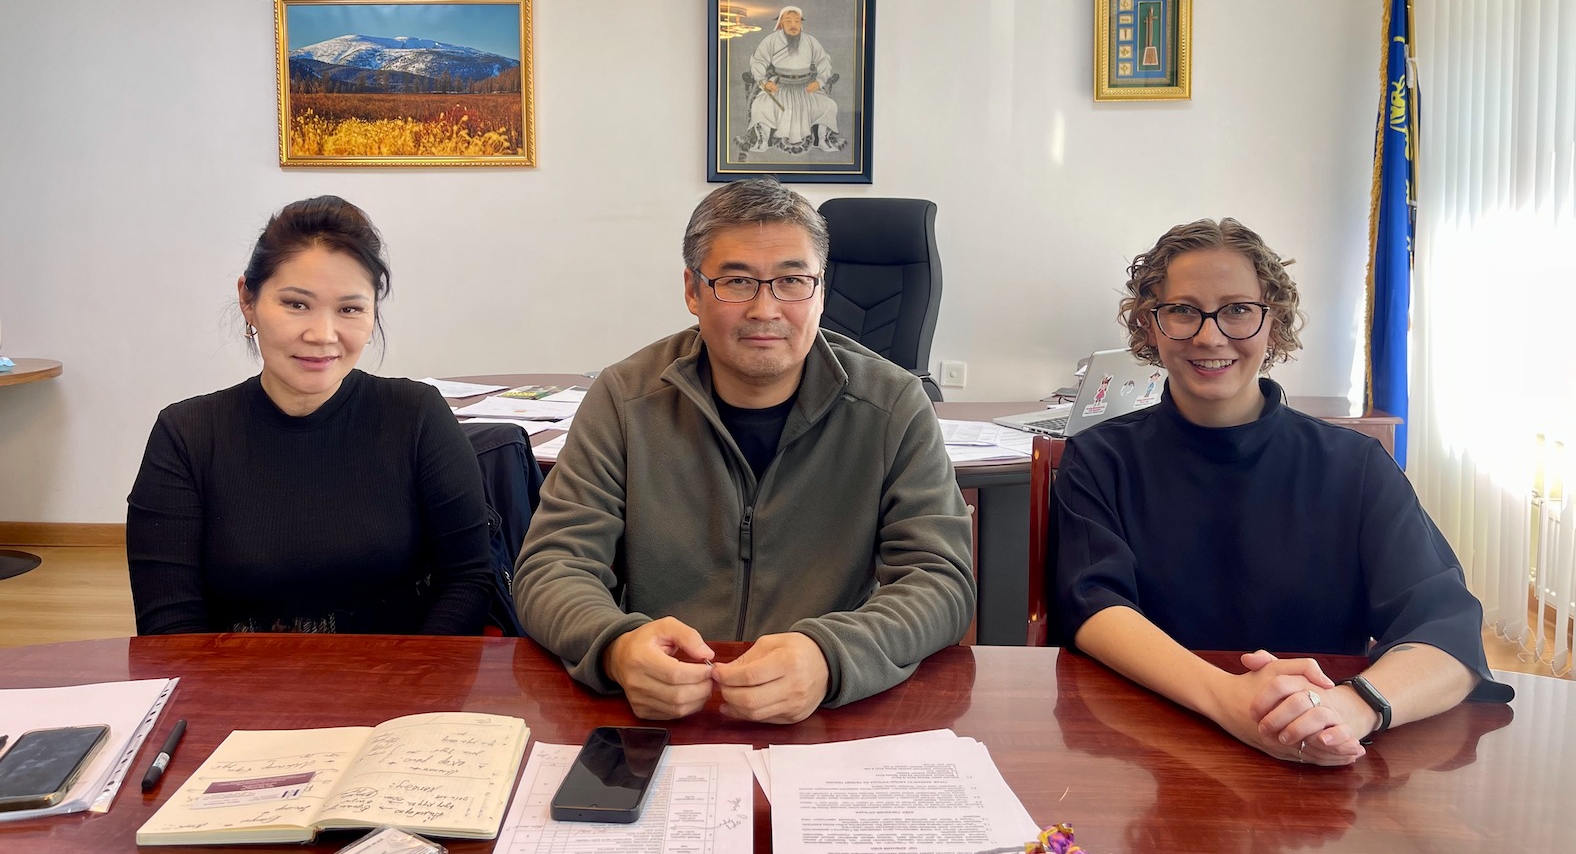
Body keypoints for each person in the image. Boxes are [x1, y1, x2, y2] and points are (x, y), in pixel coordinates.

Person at [514, 178, 974, 724]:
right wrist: (616, 645)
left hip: (829, 709)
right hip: (661, 709)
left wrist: (832, 655)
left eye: (792, 281)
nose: (765, 309)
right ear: (692, 290)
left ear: (821, 290)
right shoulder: (623, 399)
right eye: (736, 282)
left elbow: (940, 579)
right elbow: (551, 565)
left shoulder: (893, 404)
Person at [1054, 217, 1511, 767]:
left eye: (1238, 309)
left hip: (1321, 752)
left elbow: (1448, 634)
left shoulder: (1355, 466)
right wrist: (1230, 701)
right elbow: (1095, 608)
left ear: (1274, 323)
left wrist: (1351, 708)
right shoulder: (1100, 458)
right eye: (1182, 310)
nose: (1209, 334)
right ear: (1149, 326)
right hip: (1159, 740)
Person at [127, 195, 492, 635]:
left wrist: (409, 686)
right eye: (296, 304)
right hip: (234, 693)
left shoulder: (416, 416)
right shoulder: (187, 435)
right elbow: (169, 627)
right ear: (248, 299)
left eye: (350, 309)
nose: (322, 335)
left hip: (400, 689)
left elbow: (469, 581)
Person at [735, 7, 847, 155]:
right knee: (760, 105)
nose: (793, 25)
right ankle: (761, 141)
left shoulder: (810, 41)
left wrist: (819, 81)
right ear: (781, 22)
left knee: (828, 105)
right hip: (779, 85)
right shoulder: (771, 40)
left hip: (806, 86)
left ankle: (823, 140)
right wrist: (764, 82)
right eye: (788, 21)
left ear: (801, 23)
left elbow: (823, 61)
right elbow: (758, 62)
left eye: (797, 21)